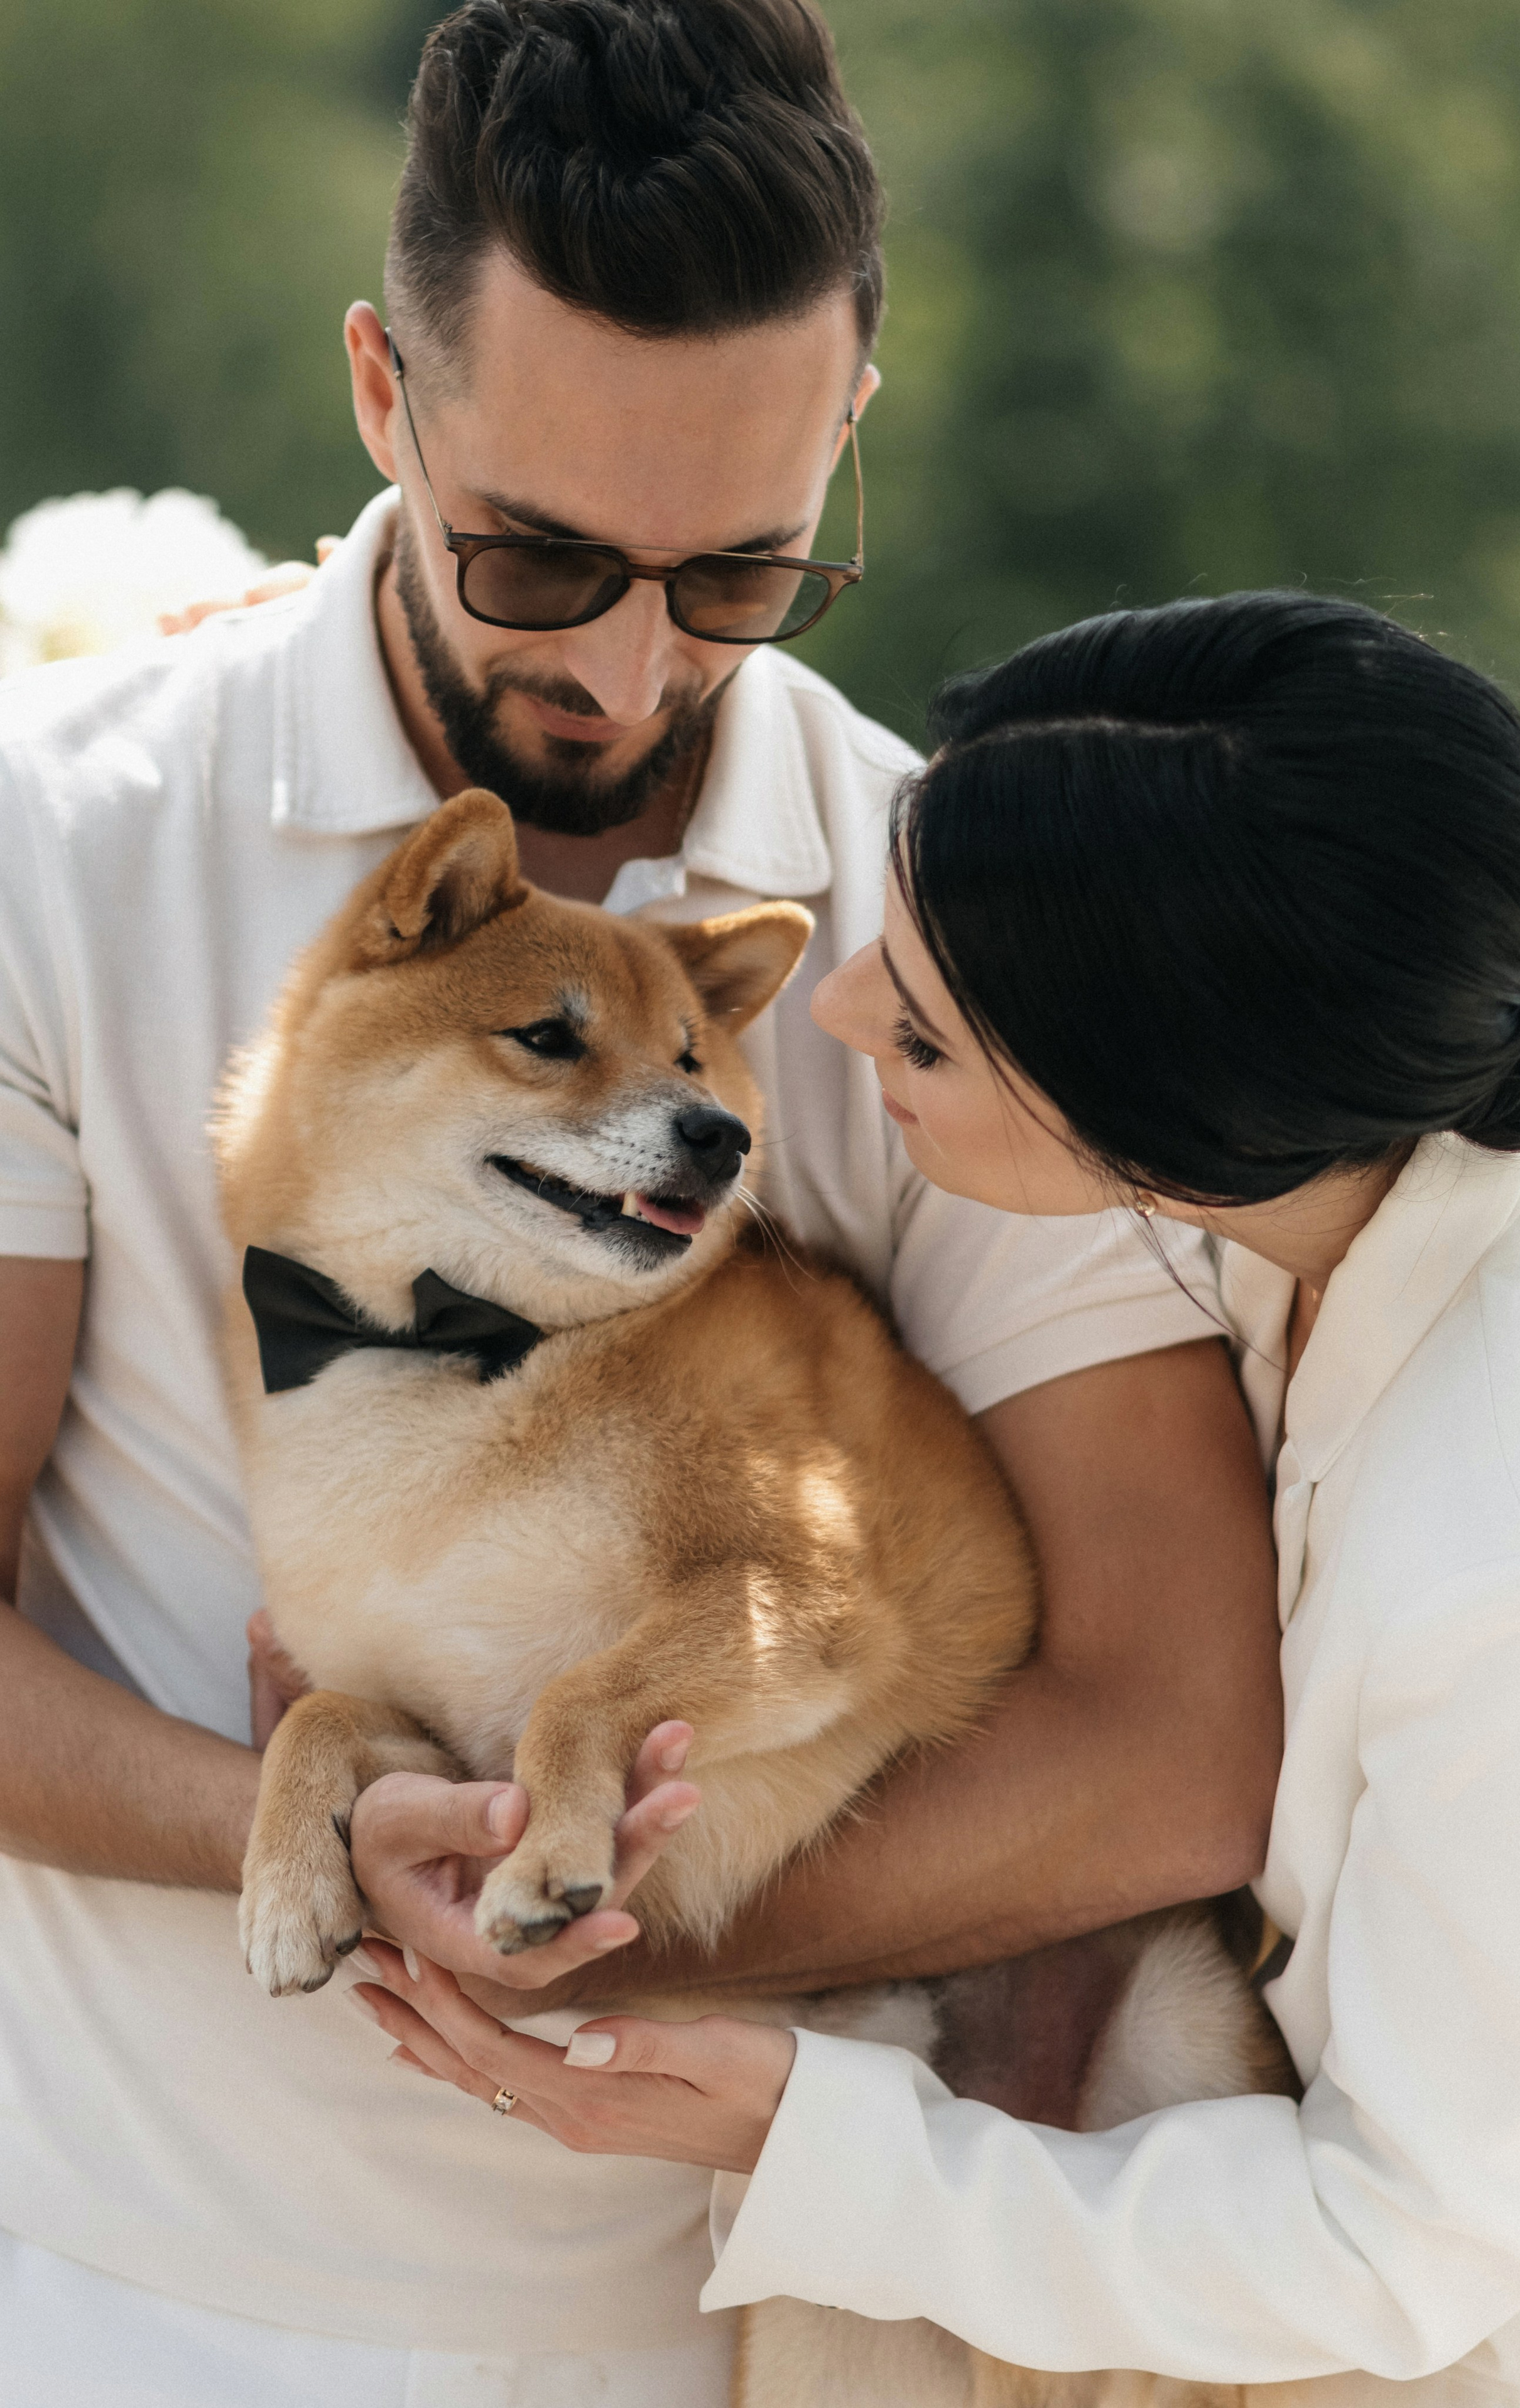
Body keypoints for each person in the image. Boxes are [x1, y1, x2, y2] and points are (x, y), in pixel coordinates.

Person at [0, 6, 1281, 2402]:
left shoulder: (955, 946)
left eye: (740, 576)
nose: (622, 663)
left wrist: (622, 1924)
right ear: (385, 395)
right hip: (112, 2296)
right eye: (539, 555)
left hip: (745, 2337)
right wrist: (288, 1832)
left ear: (849, 432)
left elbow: (1179, 1727)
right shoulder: (50, 843)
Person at [354, 592, 1520, 2406]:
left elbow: (1411, 2245)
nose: (841, 1010)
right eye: (889, 924)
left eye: (927, 1037)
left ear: (1169, 1131)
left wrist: (819, 2136)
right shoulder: (1336, 1148)